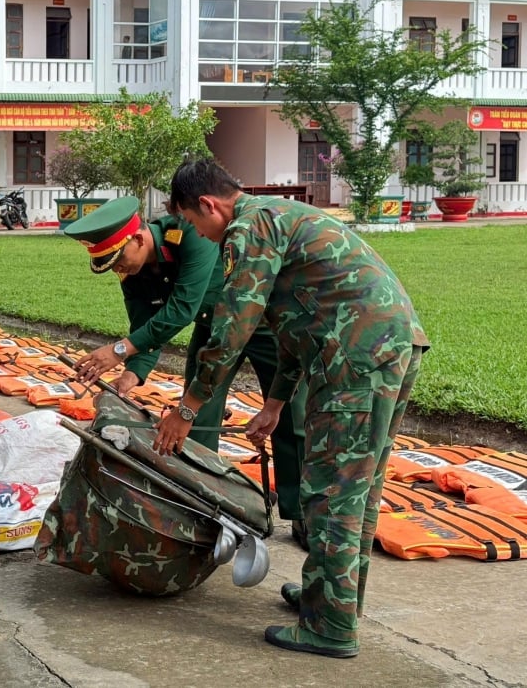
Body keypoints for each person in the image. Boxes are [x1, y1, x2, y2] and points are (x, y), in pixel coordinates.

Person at [157, 158, 429, 659]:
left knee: (332, 491)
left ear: (209, 205)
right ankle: (333, 599)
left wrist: (188, 407)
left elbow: (235, 324)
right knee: (358, 489)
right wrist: (276, 403)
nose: (201, 235)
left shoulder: (249, 227)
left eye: (195, 225)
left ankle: (330, 627)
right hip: (386, 347)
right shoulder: (277, 217)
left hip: (356, 358)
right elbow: (291, 325)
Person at [65, 196, 307, 544]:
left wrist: (118, 350)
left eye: (119, 260)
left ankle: (302, 515)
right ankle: (205, 507)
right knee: (193, 415)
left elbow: (181, 309)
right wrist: (133, 372)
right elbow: (144, 323)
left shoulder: (187, 235)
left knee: (290, 416)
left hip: (261, 323)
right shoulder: (132, 273)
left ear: (137, 239)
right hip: (213, 331)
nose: (119, 270)